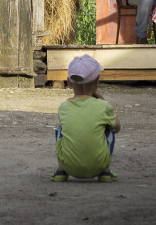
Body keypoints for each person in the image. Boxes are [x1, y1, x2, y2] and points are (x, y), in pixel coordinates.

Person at [51, 54, 121, 182]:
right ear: (97, 82)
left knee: (61, 128)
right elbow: (117, 128)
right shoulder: (103, 106)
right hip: (97, 166)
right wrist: (103, 104)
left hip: (69, 166)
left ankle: (61, 170)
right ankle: (105, 171)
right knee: (108, 128)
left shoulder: (64, 107)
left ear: (69, 82)